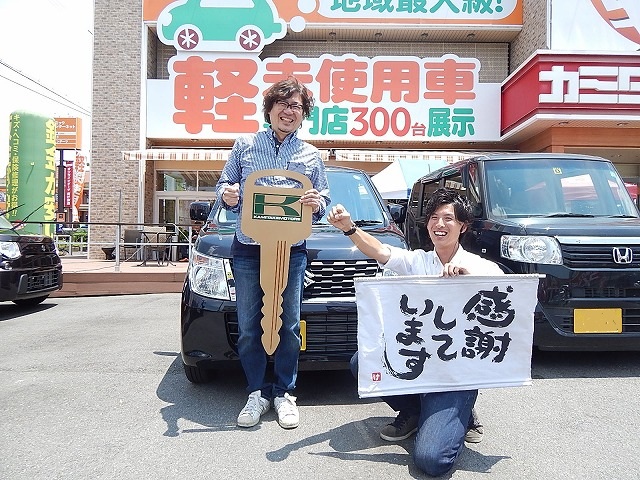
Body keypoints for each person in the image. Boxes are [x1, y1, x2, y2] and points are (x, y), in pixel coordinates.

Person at [327, 187, 503, 477]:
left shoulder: (483, 267)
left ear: (463, 226)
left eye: (448, 218)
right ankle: (415, 411)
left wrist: (470, 281)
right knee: (364, 361)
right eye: (434, 218)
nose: (439, 224)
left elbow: (503, 305)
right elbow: (379, 250)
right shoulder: (416, 261)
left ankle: (460, 414)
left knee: (432, 461)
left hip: (455, 376)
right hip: (419, 360)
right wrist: (349, 228)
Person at [216, 77, 330, 430]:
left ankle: (284, 393)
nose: (289, 111)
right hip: (248, 247)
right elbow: (224, 185)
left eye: (296, 106)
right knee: (250, 325)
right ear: (269, 109)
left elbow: (323, 198)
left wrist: (317, 203)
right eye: (283, 103)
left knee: (289, 325)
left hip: (292, 250)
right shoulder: (245, 144)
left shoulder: (311, 155)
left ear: (303, 114)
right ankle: (256, 392)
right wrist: (228, 195)